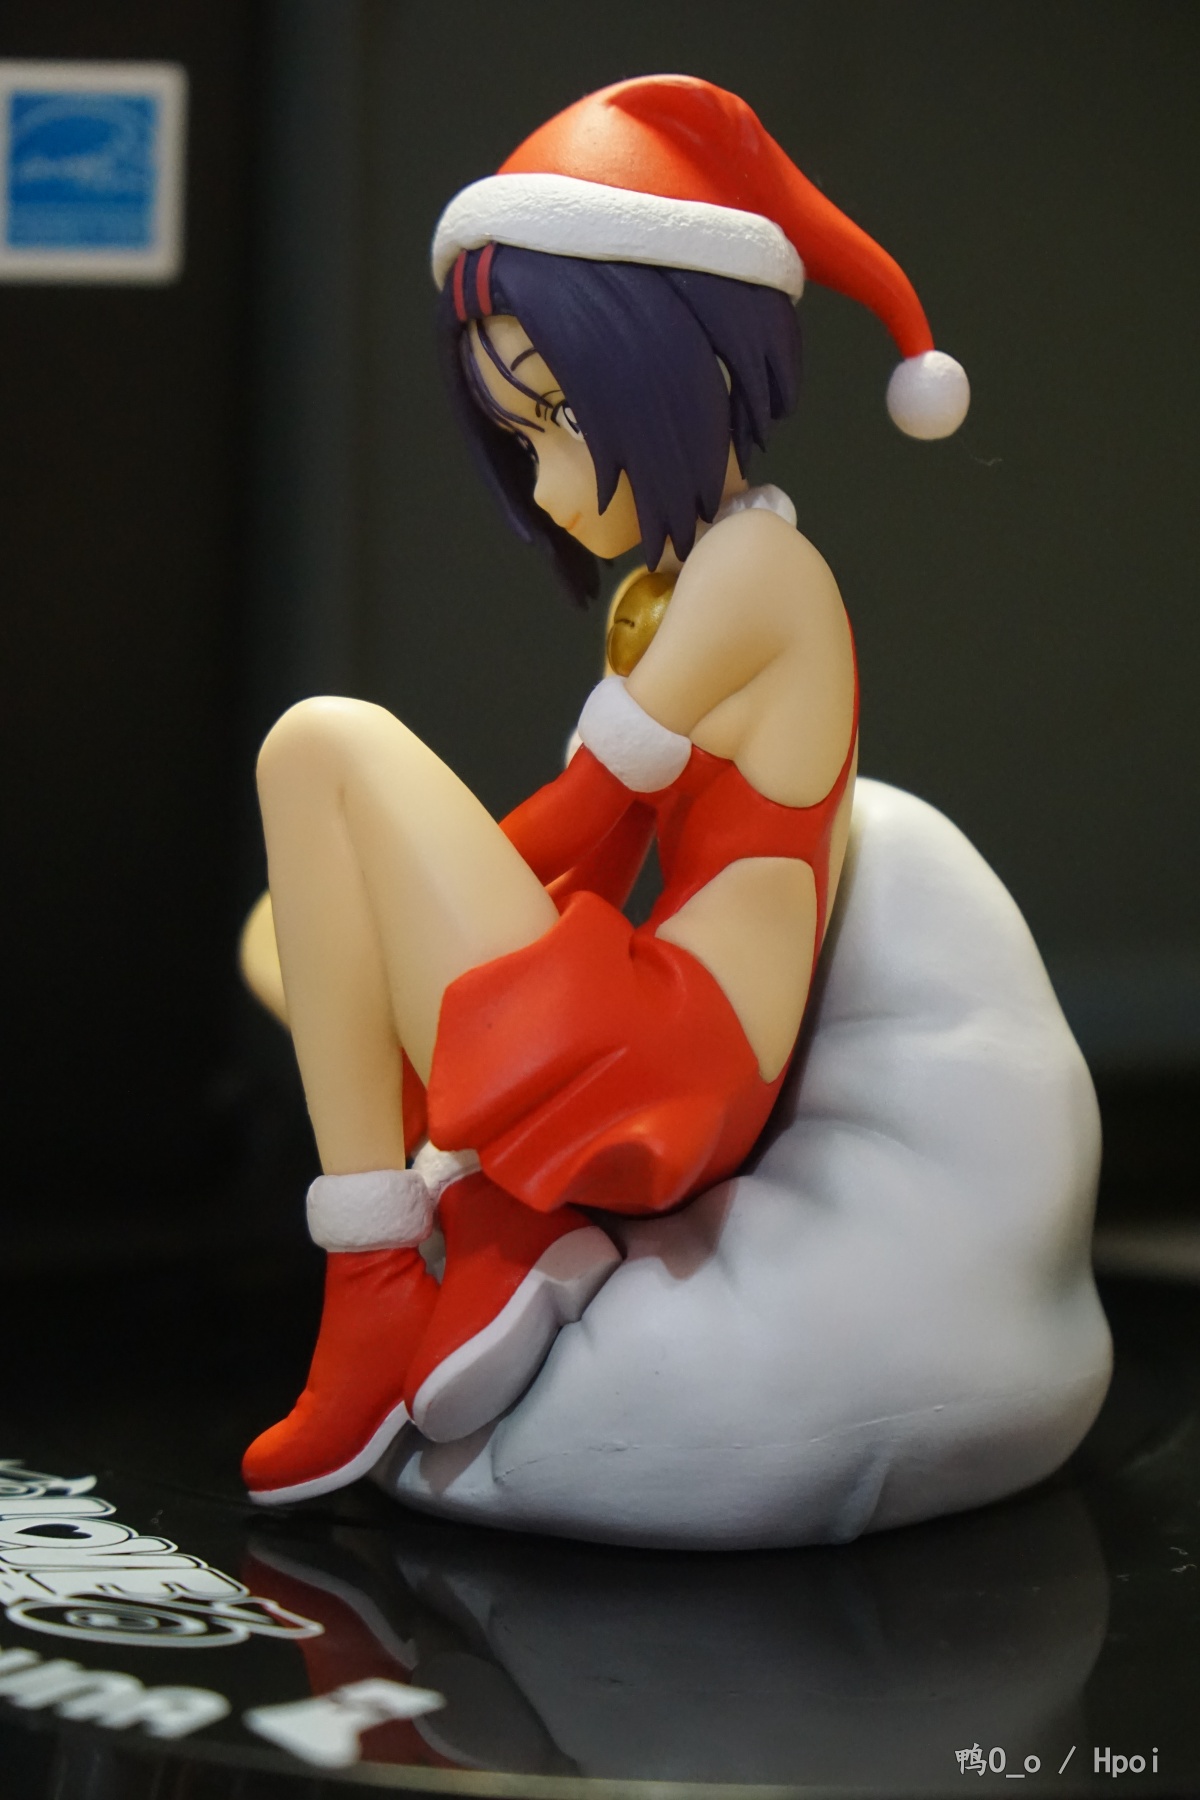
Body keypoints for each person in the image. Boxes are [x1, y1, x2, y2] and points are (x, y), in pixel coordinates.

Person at [238, 75, 969, 1506]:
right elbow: (604, 850)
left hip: (690, 1059)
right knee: (313, 903)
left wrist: (377, 940)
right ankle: (509, 1225)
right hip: (662, 1025)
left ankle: (375, 1280)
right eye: (521, 439)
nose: (551, 487)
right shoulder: (675, 587)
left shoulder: (760, 574)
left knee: (320, 747)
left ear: (692, 369)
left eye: (565, 414)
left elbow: (576, 820)